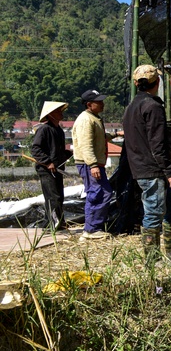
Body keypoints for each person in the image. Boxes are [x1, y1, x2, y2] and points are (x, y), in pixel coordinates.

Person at [123, 65, 171, 263]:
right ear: (157, 82)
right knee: (154, 212)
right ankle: (153, 260)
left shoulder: (131, 107)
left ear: (136, 83)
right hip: (153, 170)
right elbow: (158, 144)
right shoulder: (153, 106)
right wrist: (170, 172)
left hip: (142, 167)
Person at [72, 89, 114, 239]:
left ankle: (94, 226)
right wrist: (93, 165)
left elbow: (99, 138)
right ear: (89, 104)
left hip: (94, 163)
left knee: (103, 192)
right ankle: (91, 229)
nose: (102, 104)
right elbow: (86, 145)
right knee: (97, 193)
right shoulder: (85, 120)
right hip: (89, 163)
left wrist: (115, 134)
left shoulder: (93, 118)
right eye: (99, 102)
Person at [30, 100, 72, 231]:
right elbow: (36, 149)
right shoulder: (44, 129)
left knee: (59, 196)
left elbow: (57, 151)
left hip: (57, 169)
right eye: (58, 111)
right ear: (51, 114)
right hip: (47, 170)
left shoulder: (58, 130)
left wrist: (68, 153)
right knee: (53, 197)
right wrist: (48, 162)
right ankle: (54, 224)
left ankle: (56, 222)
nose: (61, 113)